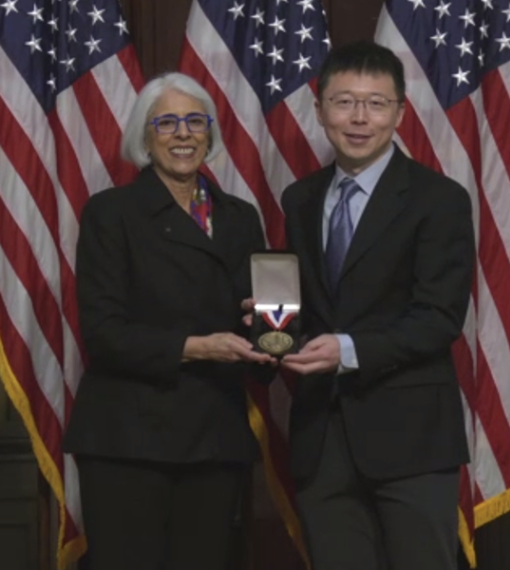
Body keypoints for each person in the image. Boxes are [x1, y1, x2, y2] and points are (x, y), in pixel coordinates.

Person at [63, 72, 273, 570]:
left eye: (195, 121)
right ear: (144, 136)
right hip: (127, 440)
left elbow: (265, 320)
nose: (184, 133)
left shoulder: (240, 217)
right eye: (168, 123)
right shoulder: (111, 213)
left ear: (210, 134)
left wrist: (271, 337)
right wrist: (198, 347)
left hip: (213, 437)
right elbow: (104, 332)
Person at [280, 41, 476, 570]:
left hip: (411, 440)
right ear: (320, 111)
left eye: (376, 103)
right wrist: (270, 321)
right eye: (344, 102)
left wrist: (345, 350)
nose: (359, 118)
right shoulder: (299, 199)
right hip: (322, 440)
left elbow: (438, 318)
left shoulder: (440, 200)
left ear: (399, 114)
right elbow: (310, 305)